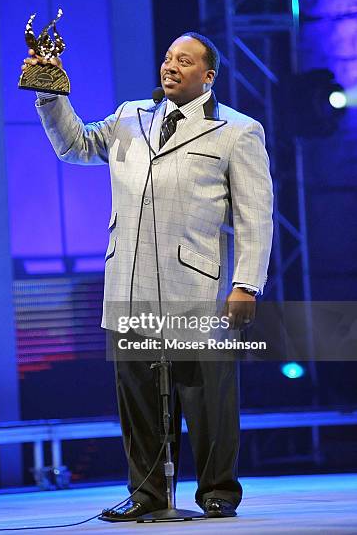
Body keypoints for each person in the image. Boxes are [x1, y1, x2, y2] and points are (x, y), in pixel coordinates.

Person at [22, 32, 273, 520]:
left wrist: (247, 283)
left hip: (196, 287)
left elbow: (255, 215)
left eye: (184, 60)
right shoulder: (129, 118)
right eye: (166, 58)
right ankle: (147, 493)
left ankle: (217, 491)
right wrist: (50, 92)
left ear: (208, 75)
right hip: (129, 282)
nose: (170, 66)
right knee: (137, 395)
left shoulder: (237, 131)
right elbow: (73, 146)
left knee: (207, 397)